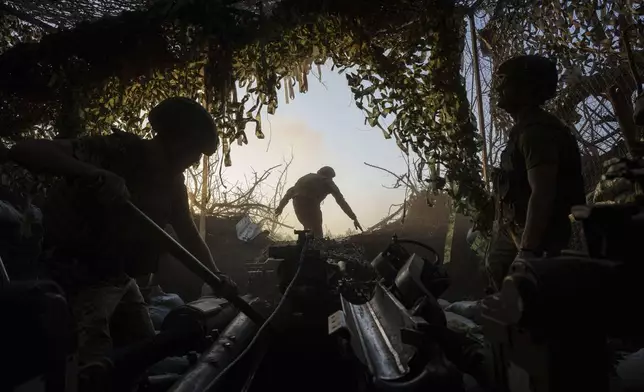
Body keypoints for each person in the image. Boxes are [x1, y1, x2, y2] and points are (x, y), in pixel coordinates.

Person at [8, 97, 236, 365]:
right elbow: (25, 150)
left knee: (145, 356)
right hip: (75, 276)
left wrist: (215, 276)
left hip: (119, 278)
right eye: (193, 151)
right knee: (93, 367)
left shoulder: (173, 184)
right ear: (174, 140)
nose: (195, 160)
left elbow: (188, 235)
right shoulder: (117, 151)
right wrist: (93, 173)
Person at [487, 55, 585, 291]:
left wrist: (527, 251)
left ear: (525, 88)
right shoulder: (524, 129)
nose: (500, 89)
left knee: (531, 301)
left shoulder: (536, 132)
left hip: (537, 239)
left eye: (506, 83)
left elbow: (542, 192)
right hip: (516, 230)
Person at [275, 166, 362, 238]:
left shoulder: (305, 178)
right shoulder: (326, 180)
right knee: (317, 232)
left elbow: (290, 192)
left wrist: (280, 208)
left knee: (308, 228)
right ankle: (315, 249)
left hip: (297, 204)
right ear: (329, 175)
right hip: (310, 203)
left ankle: (305, 249)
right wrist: (353, 217)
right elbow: (341, 201)